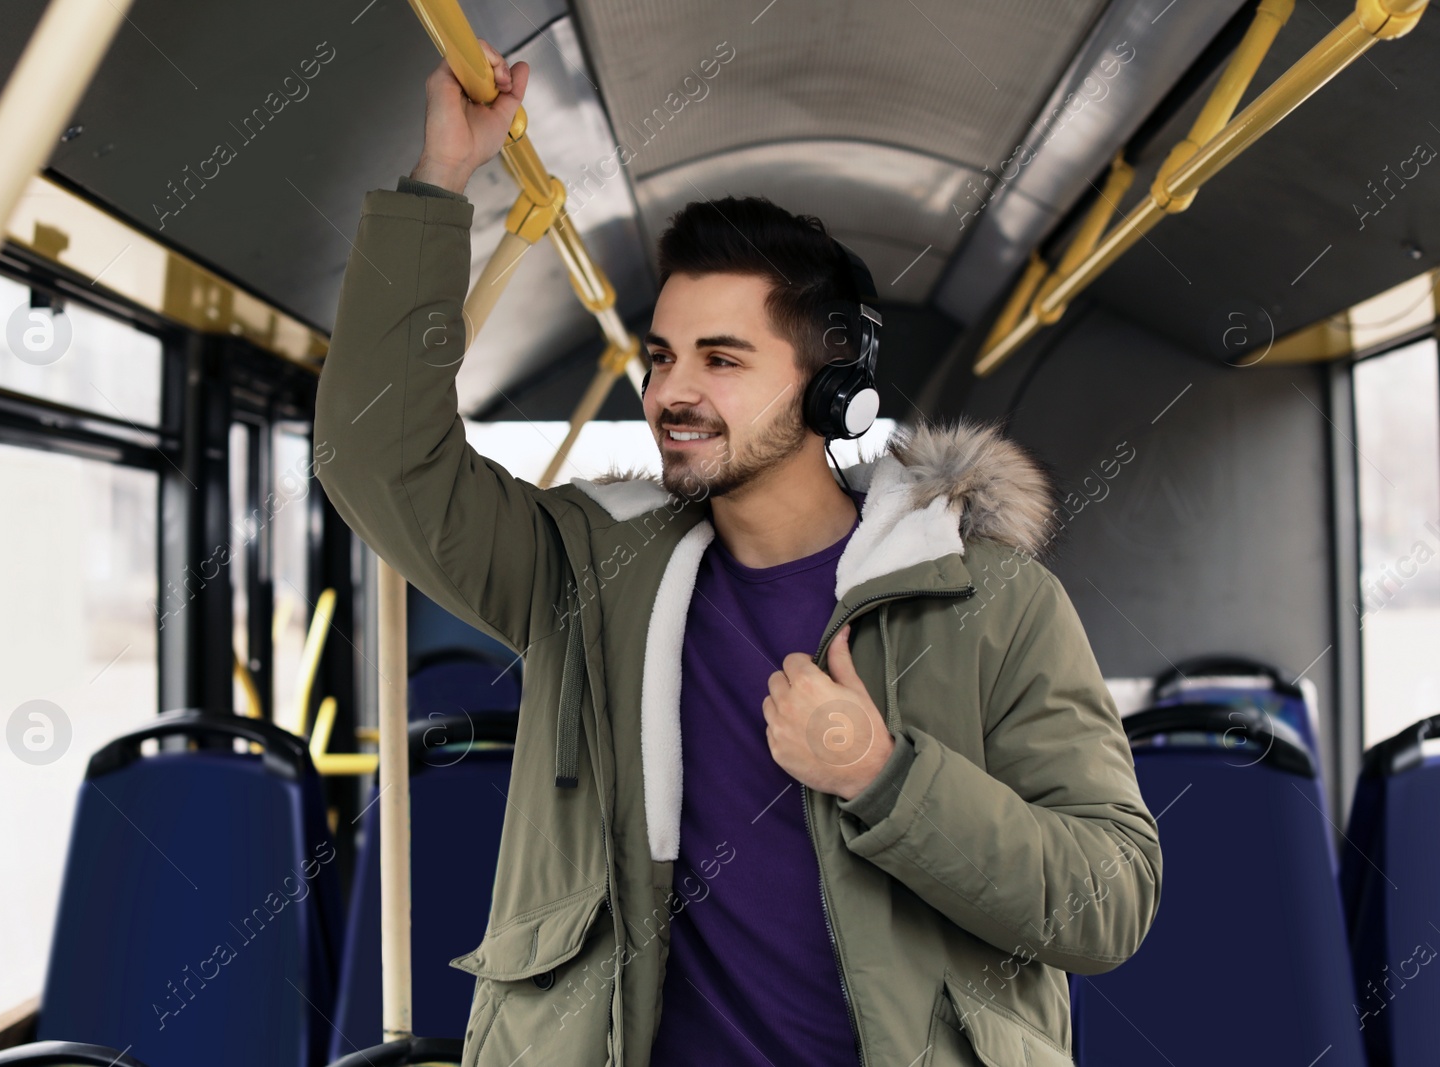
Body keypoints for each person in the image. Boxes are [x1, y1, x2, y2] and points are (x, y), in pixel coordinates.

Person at [314, 38, 1162, 1067]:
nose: (672, 391)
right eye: (662, 356)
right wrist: (441, 180)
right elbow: (376, 453)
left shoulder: (995, 600)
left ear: (829, 392)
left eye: (722, 359)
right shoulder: (585, 569)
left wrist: (881, 774)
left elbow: (1106, 898)